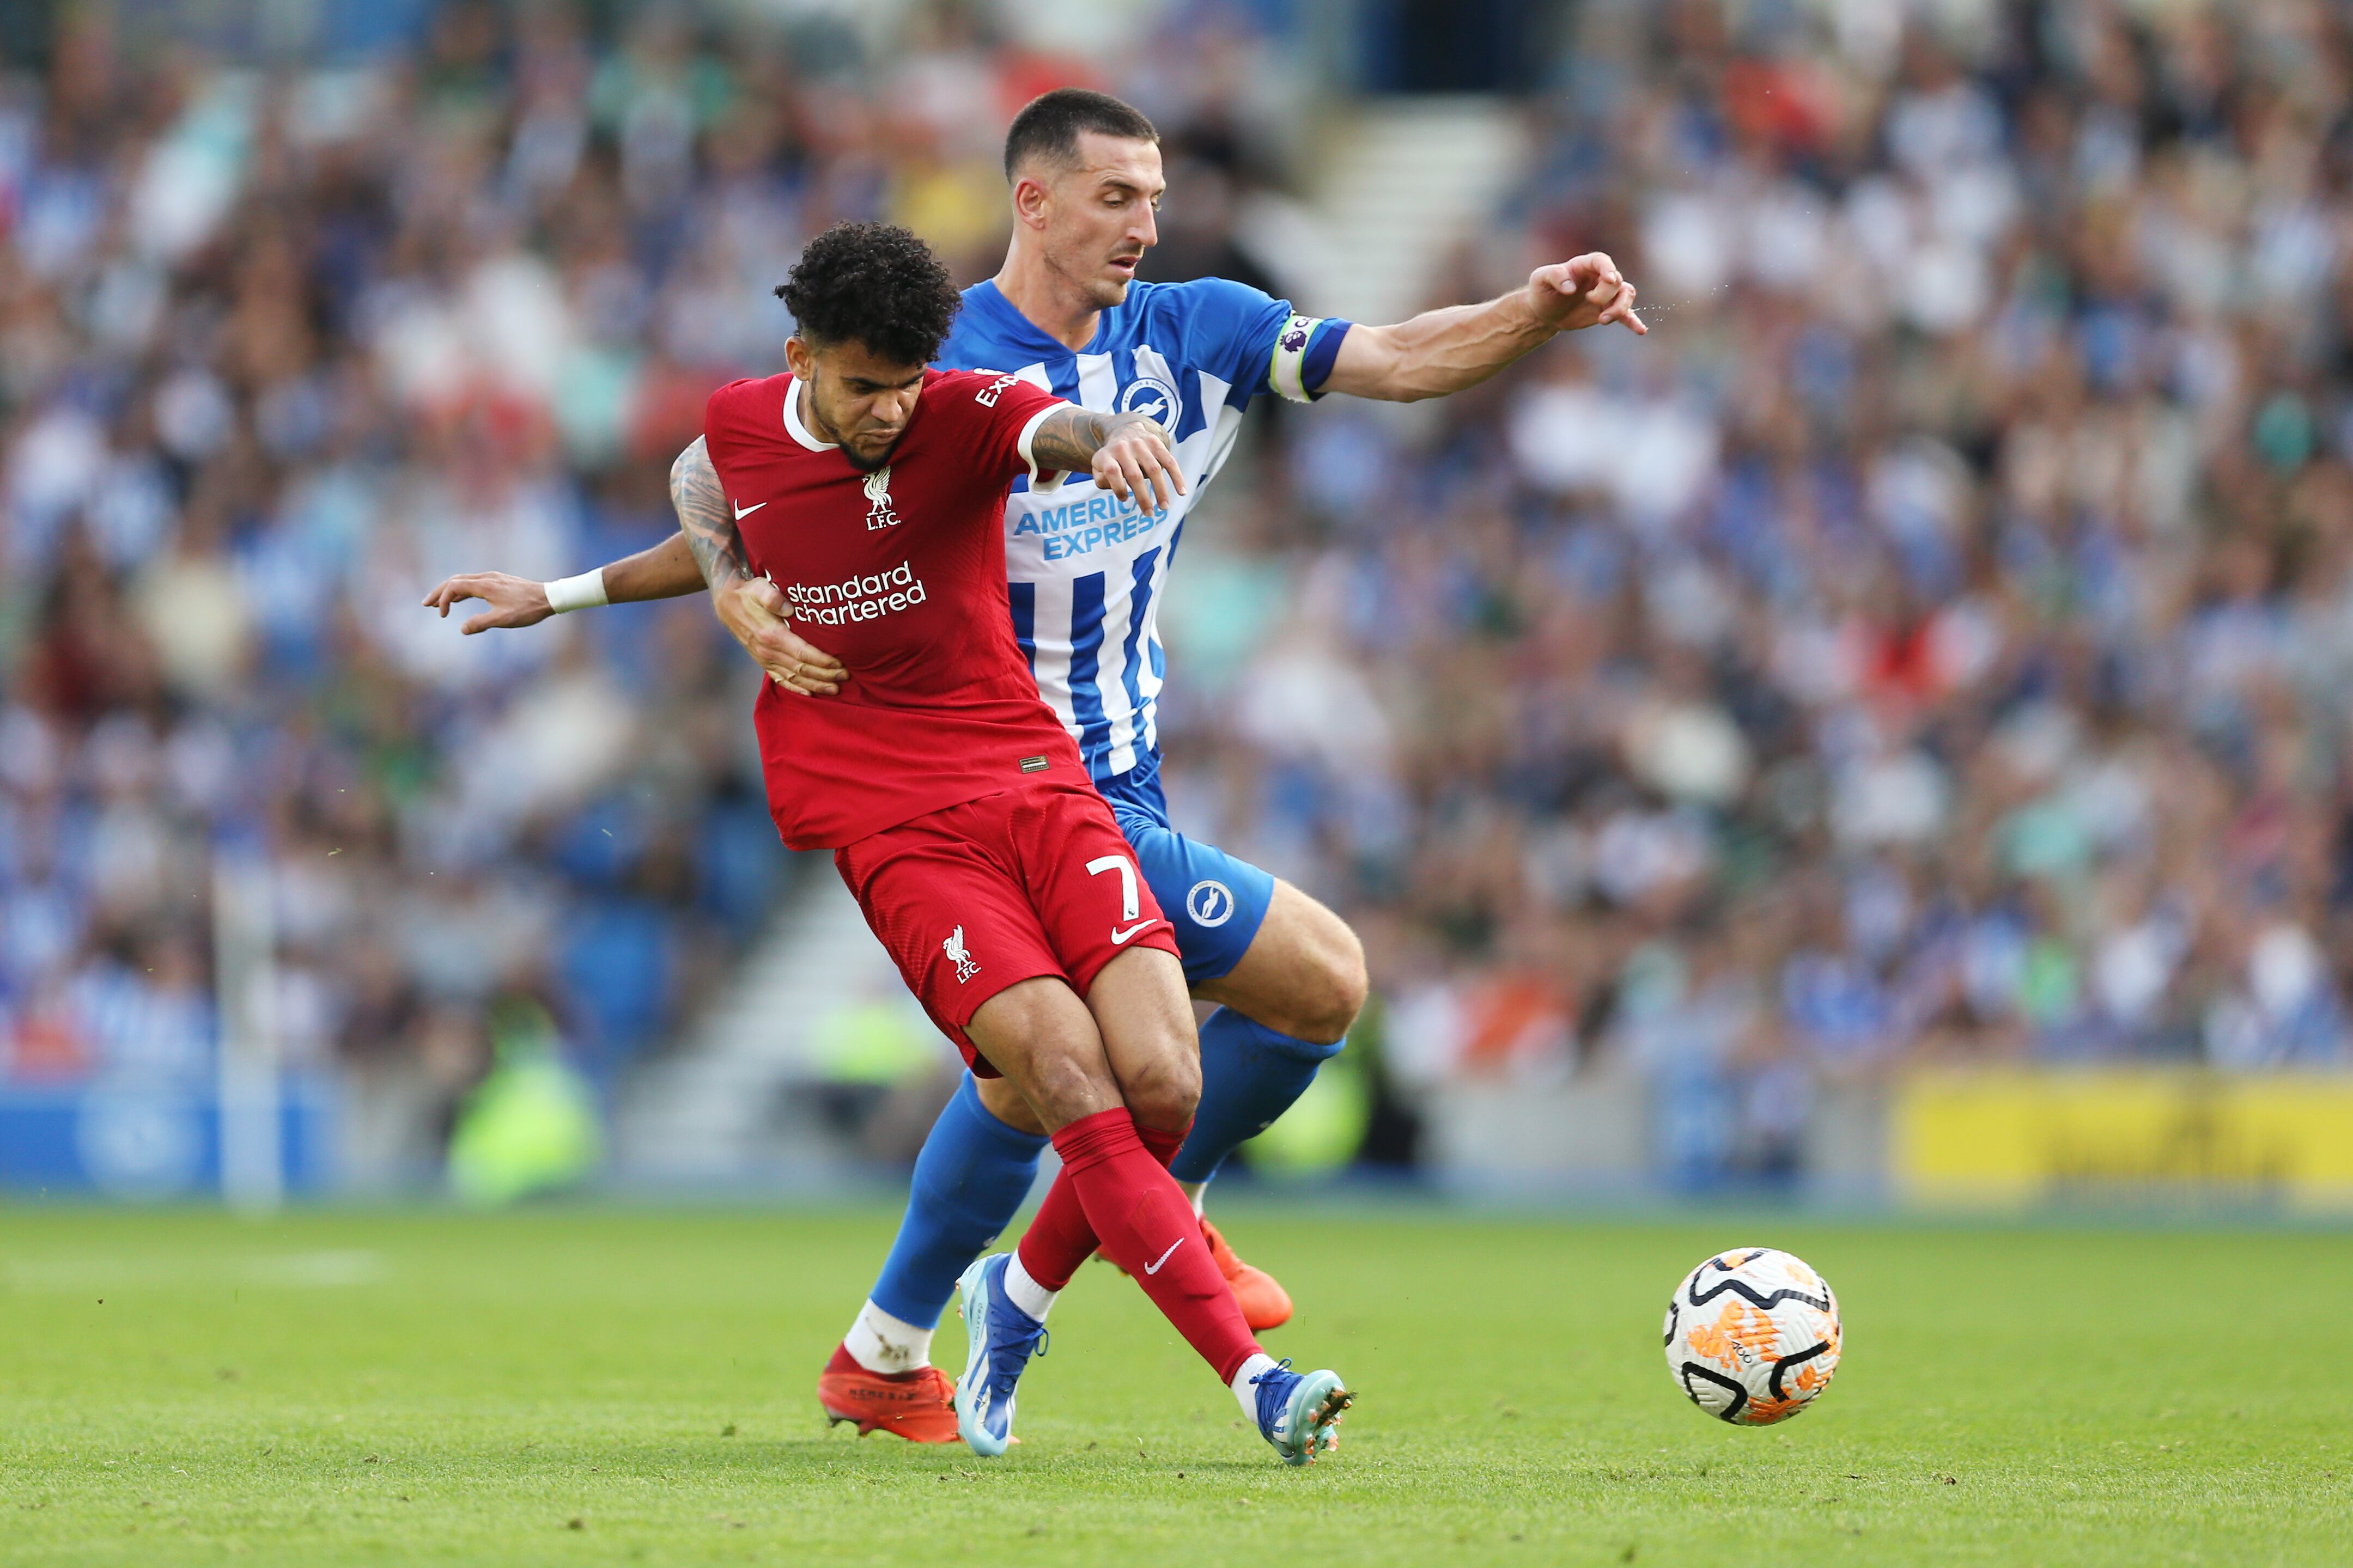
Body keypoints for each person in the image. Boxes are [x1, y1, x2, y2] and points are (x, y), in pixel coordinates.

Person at [425, 87, 1641, 1443]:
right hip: (989, 779)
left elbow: (1403, 357)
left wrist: (1530, 310)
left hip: (1112, 781)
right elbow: (736, 473)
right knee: (1306, 987)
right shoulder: (928, 361)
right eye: (1117, 197)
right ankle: (1117, 1250)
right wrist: (697, 587)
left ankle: (914, 1331)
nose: (1146, 223)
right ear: (1034, 201)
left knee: (1032, 1083)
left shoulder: (1203, 325)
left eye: (1157, 197)